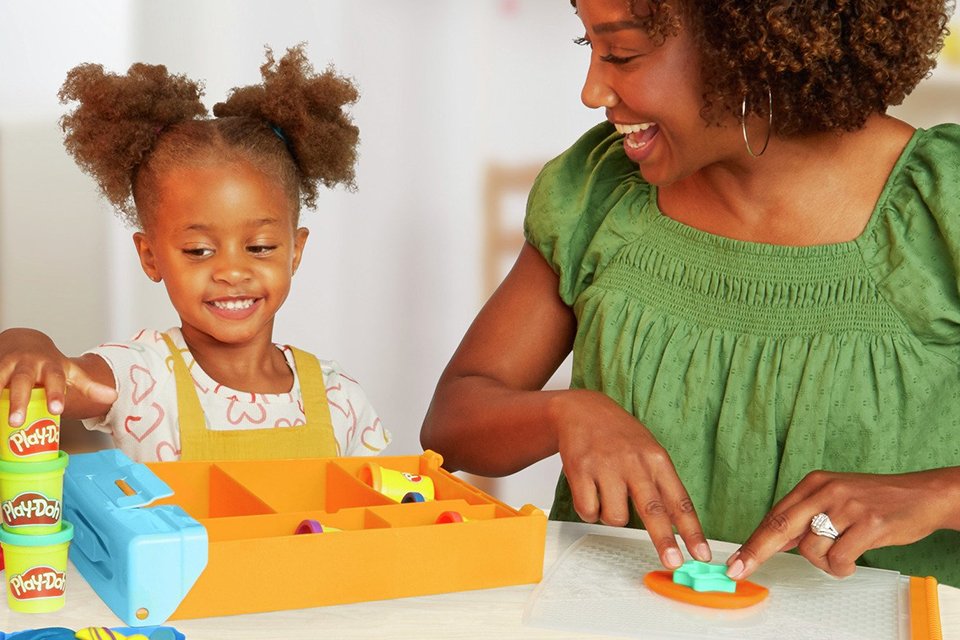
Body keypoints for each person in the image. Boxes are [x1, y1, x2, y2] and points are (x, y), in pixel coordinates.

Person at [421, 0, 960, 587]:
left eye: (621, 53)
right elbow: (453, 422)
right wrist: (564, 413)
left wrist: (937, 494)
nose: (593, 90)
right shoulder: (600, 196)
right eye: (589, 49)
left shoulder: (940, 204)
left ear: (748, 51)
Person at [0, 45, 390, 463]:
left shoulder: (340, 398)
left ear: (295, 252)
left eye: (259, 247)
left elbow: (388, 510)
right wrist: (25, 343)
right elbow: (62, 377)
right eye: (200, 250)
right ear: (150, 257)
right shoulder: (141, 377)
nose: (232, 271)